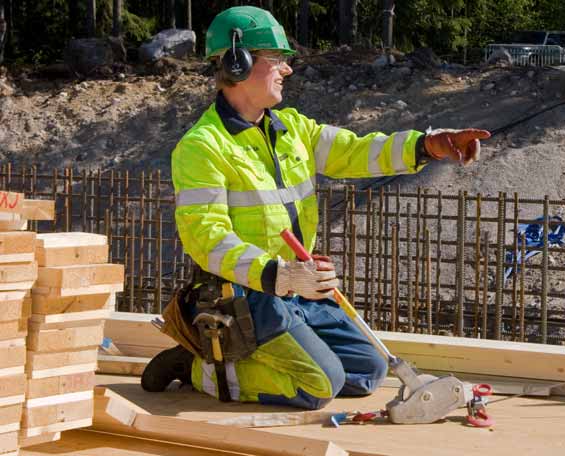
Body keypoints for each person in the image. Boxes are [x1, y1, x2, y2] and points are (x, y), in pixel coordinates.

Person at [142, 5, 490, 410]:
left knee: (367, 372)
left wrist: (427, 145)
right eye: (276, 60)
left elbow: (357, 150)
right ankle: (203, 367)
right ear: (238, 63)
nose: (286, 70)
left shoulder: (293, 129)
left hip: (297, 289)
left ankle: (255, 355)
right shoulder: (203, 147)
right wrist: (280, 274)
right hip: (244, 295)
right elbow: (207, 239)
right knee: (318, 386)